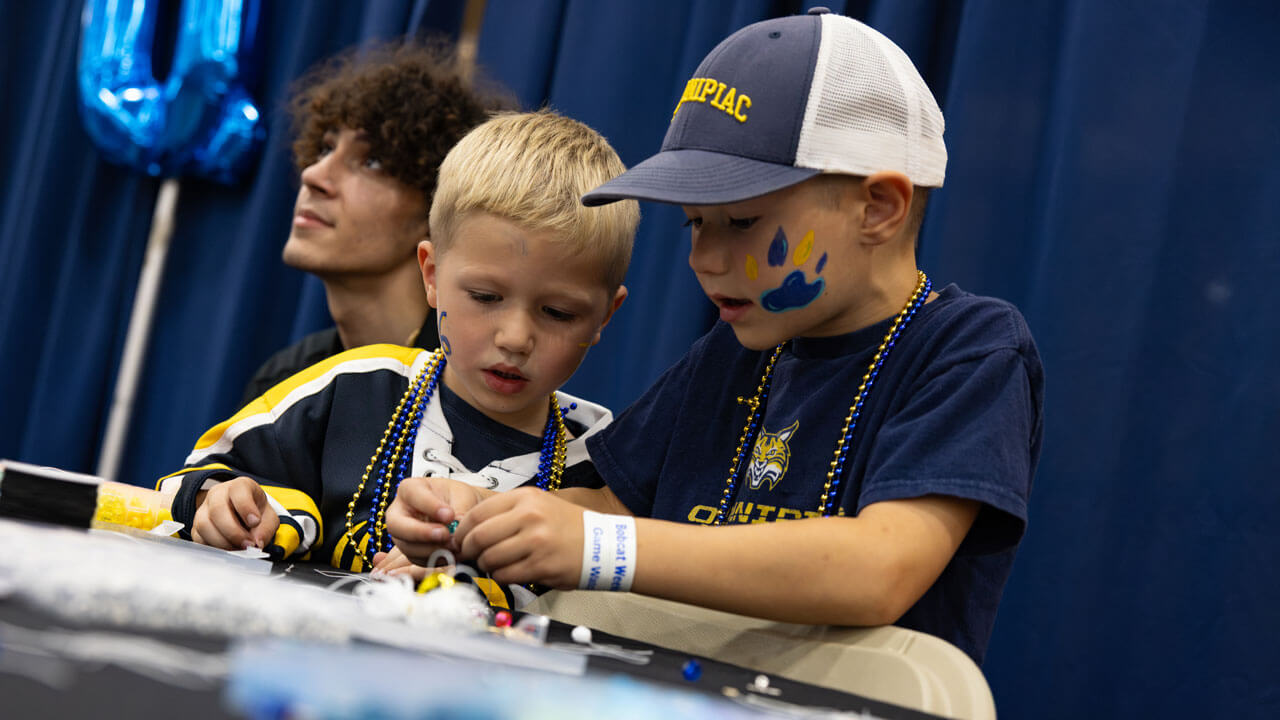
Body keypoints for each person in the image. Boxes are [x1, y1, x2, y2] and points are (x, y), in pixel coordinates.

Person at [385, 10, 1044, 664]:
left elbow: (880, 570)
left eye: (742, 221)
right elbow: (607, 502)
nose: (704, 258)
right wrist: (482, 515)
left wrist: (596, 545)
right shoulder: (737, 349)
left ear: (879, 208)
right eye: (694, 225)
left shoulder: (969, 349)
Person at [157, 112, 637, 588]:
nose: (515, 338)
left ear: (604, 317)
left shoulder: (599, 469)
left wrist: (470, 577)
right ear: (431, 275)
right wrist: (222, 503)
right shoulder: (353, 387)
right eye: (486, 298)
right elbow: (195, 475)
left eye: (557, 313)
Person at [239, 41, 506, 407]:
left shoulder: (480, 391)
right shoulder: (286, 382)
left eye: (372, 162)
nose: (314, 175)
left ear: (435, 209)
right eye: (324, 150)